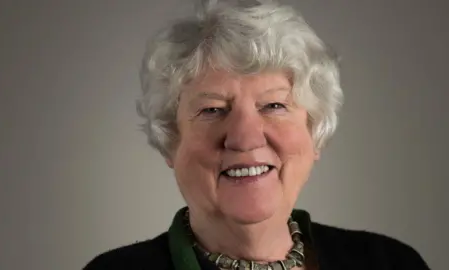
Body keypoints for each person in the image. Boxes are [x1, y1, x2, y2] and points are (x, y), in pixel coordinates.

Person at [84, 0, 430, 269]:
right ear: (171, 142)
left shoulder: (390, 263)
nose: (245, 137)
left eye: (274, 106)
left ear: (314, 132)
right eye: (213, 110)